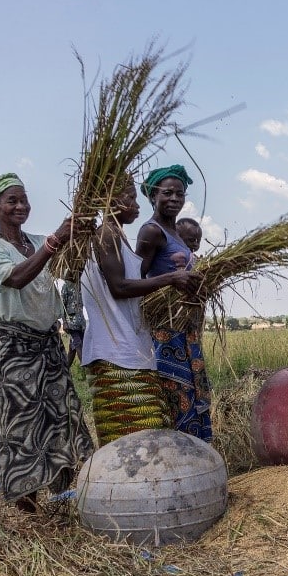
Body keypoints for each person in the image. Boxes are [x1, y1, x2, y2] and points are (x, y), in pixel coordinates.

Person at [0, 167, 95, 512]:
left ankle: (64, 493)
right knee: (20, 423)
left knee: (63, 416)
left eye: (24, 199)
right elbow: (17, 278)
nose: (20, 206)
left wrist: (81, 234)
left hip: (47, 344)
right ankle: (25, 507)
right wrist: (55, 241)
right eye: (11, 200)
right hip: (12, 348)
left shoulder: (36, 241)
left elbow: (69, 272)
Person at [80, 179, 200, 447]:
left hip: (131, 351)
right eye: (131, 199)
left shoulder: (117, 235)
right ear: (109, 201)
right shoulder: (105, 235)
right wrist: (171, 278)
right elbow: (119, 287)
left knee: (145, 437)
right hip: (114, 353)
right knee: (132, 441)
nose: (136, 206)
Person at [135, 165, 213, 442]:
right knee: (176, 396)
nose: (174, 199)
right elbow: (136, 281)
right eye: (167, 193)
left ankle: (198, 461)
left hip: (185, 330)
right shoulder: (151, 231)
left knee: (193, 395)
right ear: (153, 195)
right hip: (165, 332)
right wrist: (172, 279)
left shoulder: (178, 234)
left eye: (179, 194)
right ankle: (181, 461)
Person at [60, 278, 85, 367]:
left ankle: (64, 369)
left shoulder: (82, 285)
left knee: (72, 350)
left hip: (81, 323)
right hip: (71, 323)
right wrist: (64, 322)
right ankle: (86, 367)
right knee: (79, 344)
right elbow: (61, 305)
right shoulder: (66, 286)